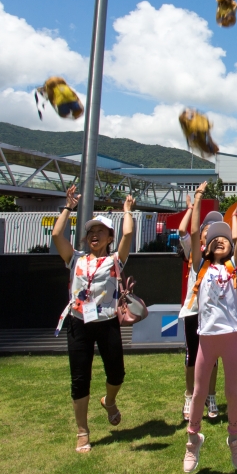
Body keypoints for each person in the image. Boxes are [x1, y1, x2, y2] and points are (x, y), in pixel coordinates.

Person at [51, 185, 135, 454]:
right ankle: (82, 431)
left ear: (110, 237)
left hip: (107, 322)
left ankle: (109, 401)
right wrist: (68, 207)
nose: (93, 235)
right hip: (77, 323)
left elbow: (129, 233)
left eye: (100, 231)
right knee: (79, 378)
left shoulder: (114, 260)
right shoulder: (75, 259)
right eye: (90, 232)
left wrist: (127, 211)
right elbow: (56, 234)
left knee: (117, 373)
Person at [183, 182, 237, 474]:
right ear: (205, 246)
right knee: (198, 393)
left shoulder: (234, 266)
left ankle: (234, 439)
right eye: (215, 239)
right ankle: (192, 440)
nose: (220, 241)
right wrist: (198, 199)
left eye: (224, 239)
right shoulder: (200, 266)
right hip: (207, 338)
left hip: (232, 337)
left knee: (232, 393)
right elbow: (196, 230)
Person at [177, 193, 221, 422]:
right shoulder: (194, 251)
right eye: (207, 227)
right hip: (194, 311)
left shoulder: (222, 255)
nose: (210, 231)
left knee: (213, 358)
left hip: (213, 313)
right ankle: (190, 394)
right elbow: (185, 232)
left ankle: (210, 396)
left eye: (216, 228)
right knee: (192, 356)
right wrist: (192, 207)